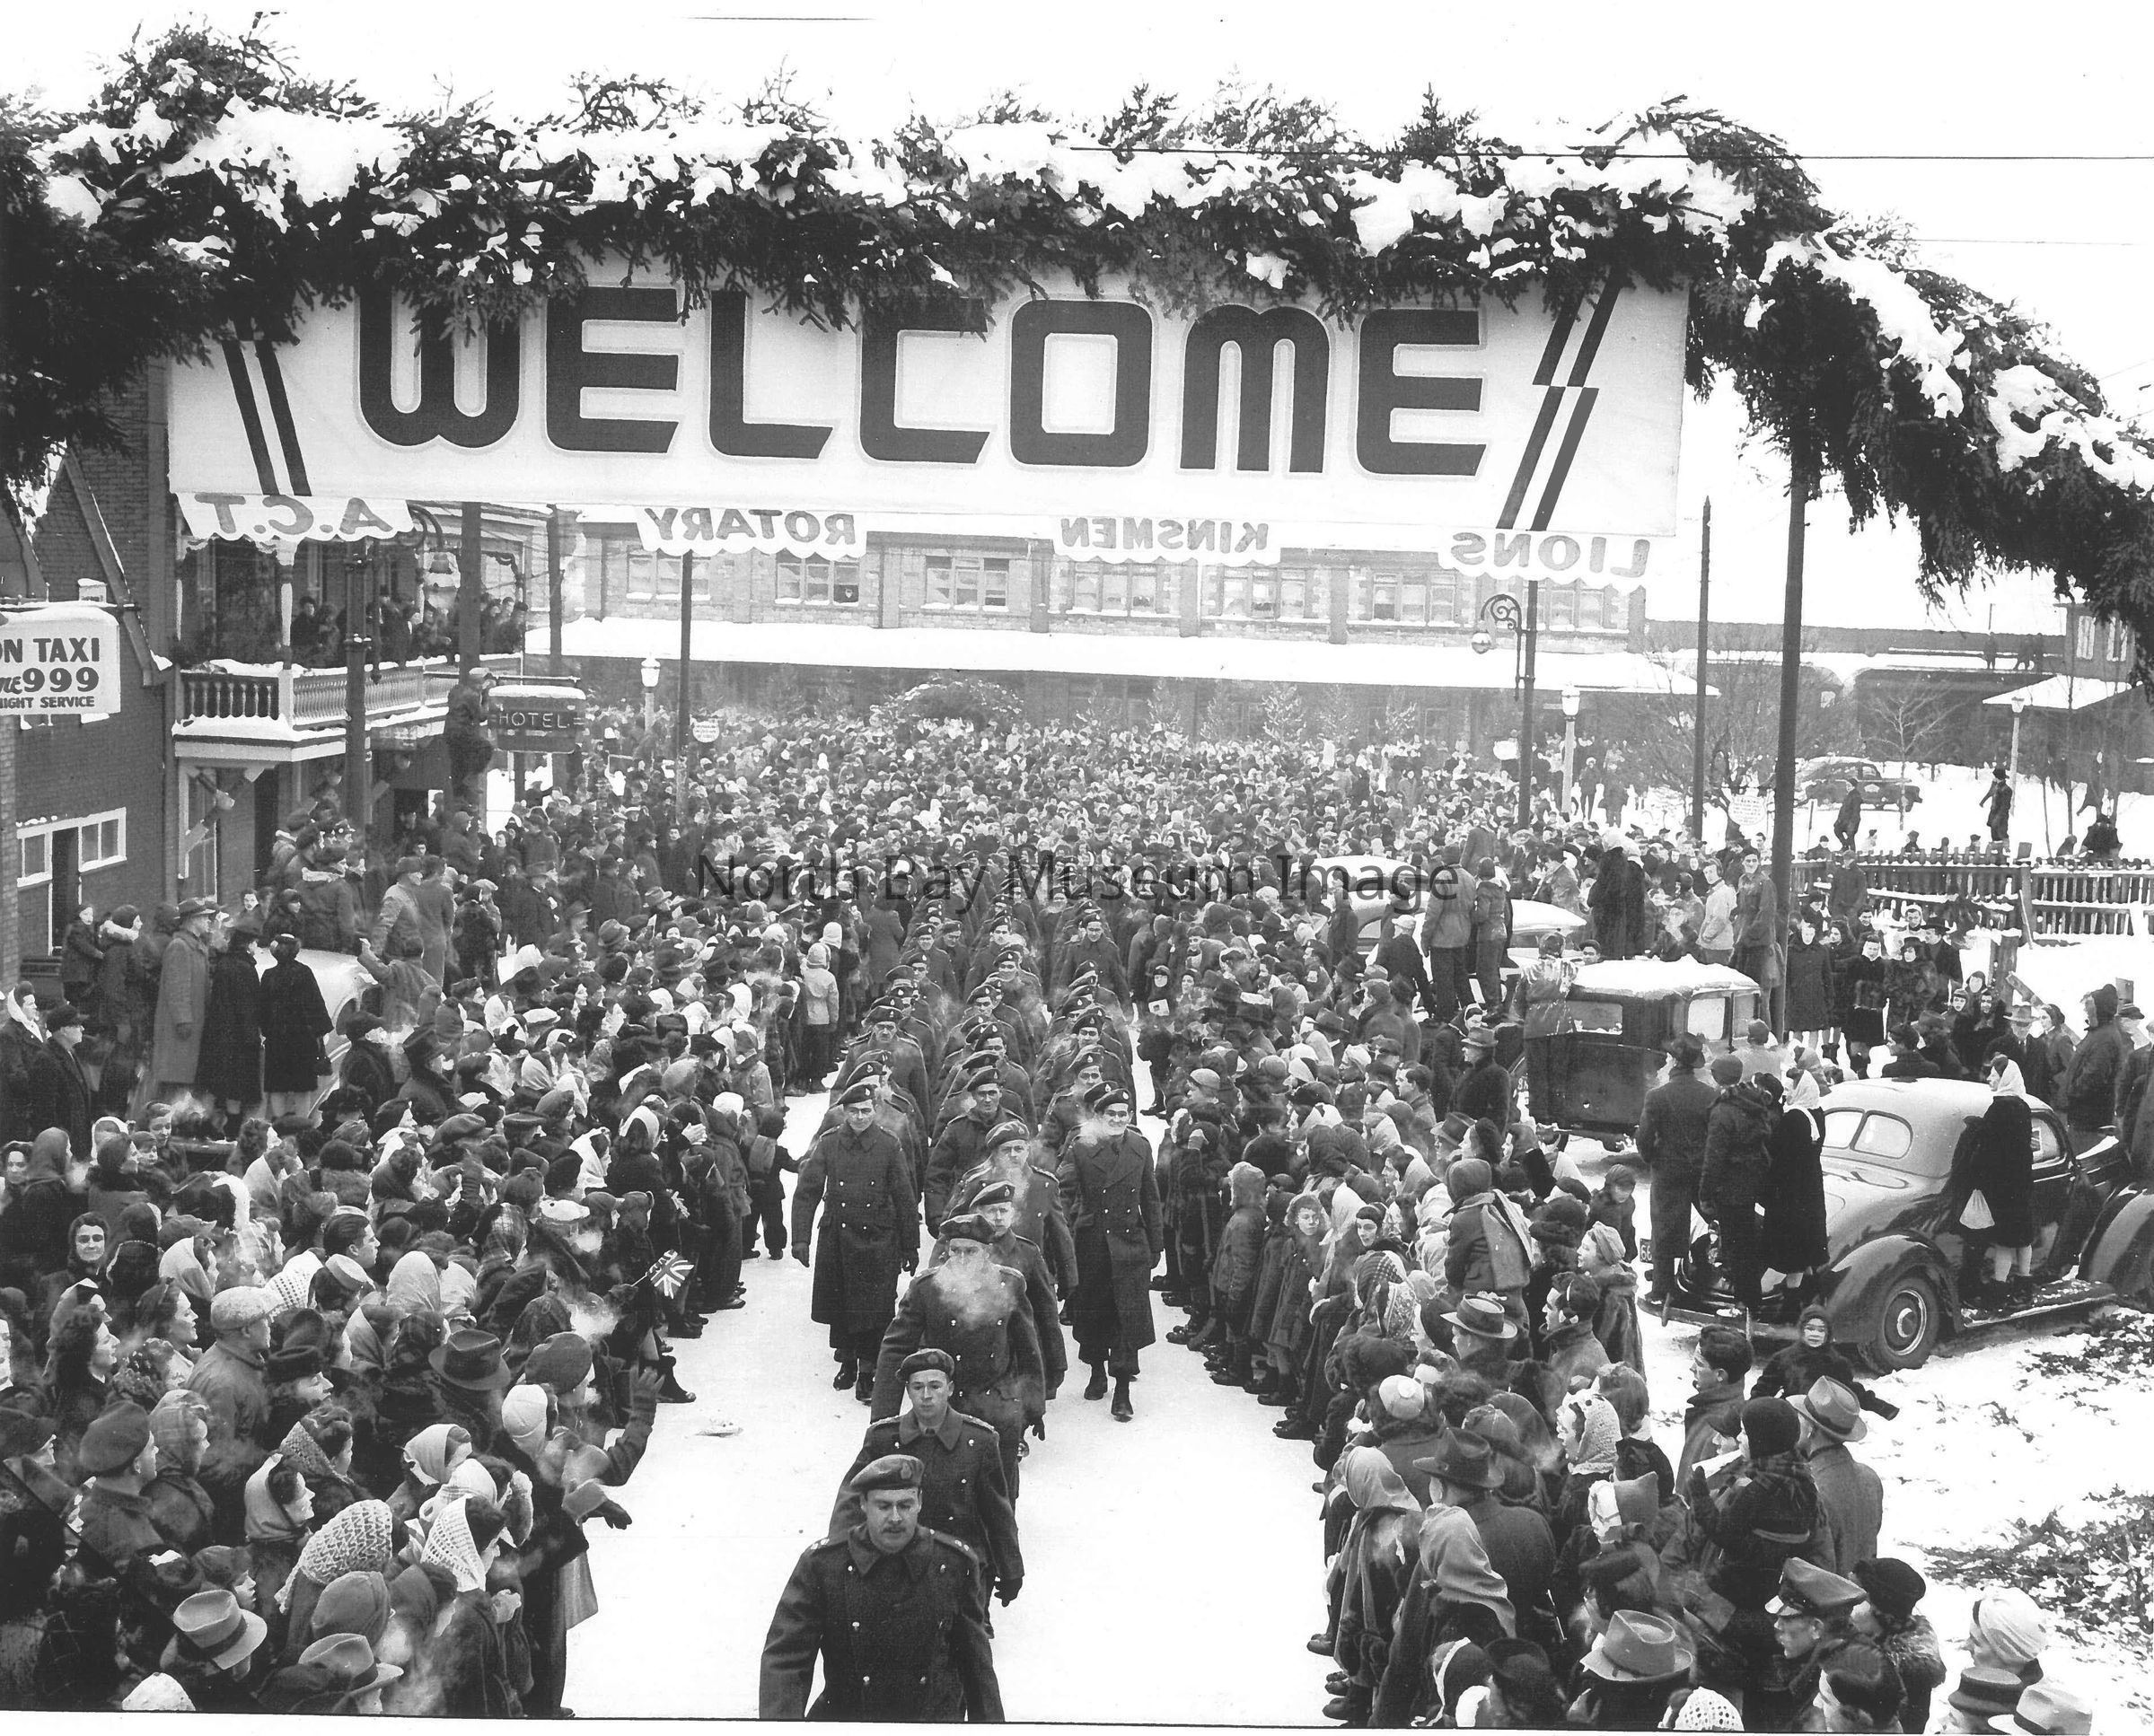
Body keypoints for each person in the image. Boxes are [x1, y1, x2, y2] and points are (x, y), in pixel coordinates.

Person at [760, 1452, 1003, 1721]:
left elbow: (976, 1667)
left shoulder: (953, 1563)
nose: (896, 1517)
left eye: (905, 1505)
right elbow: (786, 1660)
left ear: (920, 1502)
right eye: (884, 1506)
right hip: (849, 1719)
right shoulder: (824, 1565)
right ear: (863, 1504)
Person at [866, 1213, 1045, 1499]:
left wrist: (1034, 1408)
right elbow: (896, 1349)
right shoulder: (927, 1288)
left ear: (987, 1252)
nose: (961, 1259)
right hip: (946, 1405)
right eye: (955, 1250)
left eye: (970, 1251)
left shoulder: (1009, 1284)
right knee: (945, 1490)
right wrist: (883, 1417)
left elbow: (1029, 1351)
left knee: (999, 1490)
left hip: (996, 1405)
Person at [833, 1350, 1022, 1616]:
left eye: (935, 1386)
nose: (926, 1395)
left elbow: (997, 1511)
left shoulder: (979, 1441)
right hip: (899, 1561)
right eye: (917, 1387)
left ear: (950, 1389)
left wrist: (1011, 1568)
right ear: (908, 1391)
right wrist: (840, 1556)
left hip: (962, 1566)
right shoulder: (884, 1439)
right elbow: (852, 1501)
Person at [793, 1080, 919, 1402]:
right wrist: (800, 1239)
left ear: (875, 1110)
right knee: (841, 1304)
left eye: (865, 1111)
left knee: (875, 1308)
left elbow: (904, 1197)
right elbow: (807, 1190)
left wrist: (910, 1245)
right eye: (853, 1112)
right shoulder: (830, 1143)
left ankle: (868, 1370)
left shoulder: (889, 1145)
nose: (860, 1117)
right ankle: (847, 1362)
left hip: (879, 1238)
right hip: (838, 1236)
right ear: (844, 1113)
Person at [1057, 1083, 1162, 1422]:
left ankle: (1123, 1389)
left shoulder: (1140, 1147)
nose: (1117, 1120)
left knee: (1126, 1316)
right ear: (1099, 1116)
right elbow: (1065, 1195)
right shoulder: (1082, 1148)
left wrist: (1156, 1244)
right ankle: (1096, 1370)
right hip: (1093, 1244)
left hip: (1131, 1245)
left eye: (1123, 1114)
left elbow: (1150, 1198)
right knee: (1094, 1312)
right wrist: (1068, 1237)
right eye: (1111, 1114)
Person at [1635, 1034, 1718, 1304]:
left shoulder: (1657, 1096)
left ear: (1673, 1062)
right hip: (1701, 1170)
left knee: (1664, 1226)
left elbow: (1644, 1138)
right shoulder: (1709, 1095)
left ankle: (1663, 1288)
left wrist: (1652, 1158)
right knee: (1715, 1219)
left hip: (1668, 1170)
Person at [1700, 1054, 1775, 1310]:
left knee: (1735, 1248)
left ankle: (1744, 1304)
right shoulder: (1753, 1102)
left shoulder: (1723, 1111)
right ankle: (1749, 1301)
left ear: (1717, 1078)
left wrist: (1705, 1193)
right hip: (1751, 1184)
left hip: (1730, 1189)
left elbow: (1713, 1158)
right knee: (1745, 1245)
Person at [1954, 1091, 2039, 1307]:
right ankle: (2023, 1288)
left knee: (2004, 1246)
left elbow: (1979, 1169)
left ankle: (1998, 1292)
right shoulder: (2023, 1146)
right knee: (2023, 1243)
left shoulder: (1996, 1148)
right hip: (2022, 1199)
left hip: (2004, 1201)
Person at [1984, 767, 2015, 846]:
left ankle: (2004, 849)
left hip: (2001, 817)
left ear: (1998, 777)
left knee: (2002, 834)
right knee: (1994, 835)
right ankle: (1996, 849)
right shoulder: (1996, 787)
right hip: (1994, 815)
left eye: (1995, 777)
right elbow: (1991, 793)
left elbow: (2005, 806)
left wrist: (1997, 818)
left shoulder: (2006, 790)